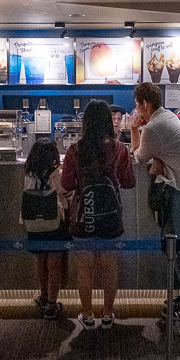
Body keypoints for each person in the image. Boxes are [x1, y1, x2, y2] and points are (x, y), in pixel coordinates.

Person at [130, 82, 180, 323]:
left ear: (145, 103)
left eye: (137, 106)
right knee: (177, 247)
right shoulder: (167, 116)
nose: (137, 110)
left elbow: (138, 157)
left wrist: (135, 129)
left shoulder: (154, 126)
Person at [61, 100, 135, 331]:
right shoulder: (119, 148)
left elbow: (66, 183)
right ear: (108, 121)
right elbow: (129, 183)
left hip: (84, 215)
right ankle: (108, 314)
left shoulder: (74, 150)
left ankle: (88, 315)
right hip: (111, 216)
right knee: (109, 266)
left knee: (85, 268)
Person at [21, 138, 71, 320]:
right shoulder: (57, 173)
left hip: (33, 223)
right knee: (55, 262)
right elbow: (65, 191)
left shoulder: (28, 173)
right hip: (54, 222)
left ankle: (43, 295)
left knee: (41, 260)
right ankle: (51, 303)